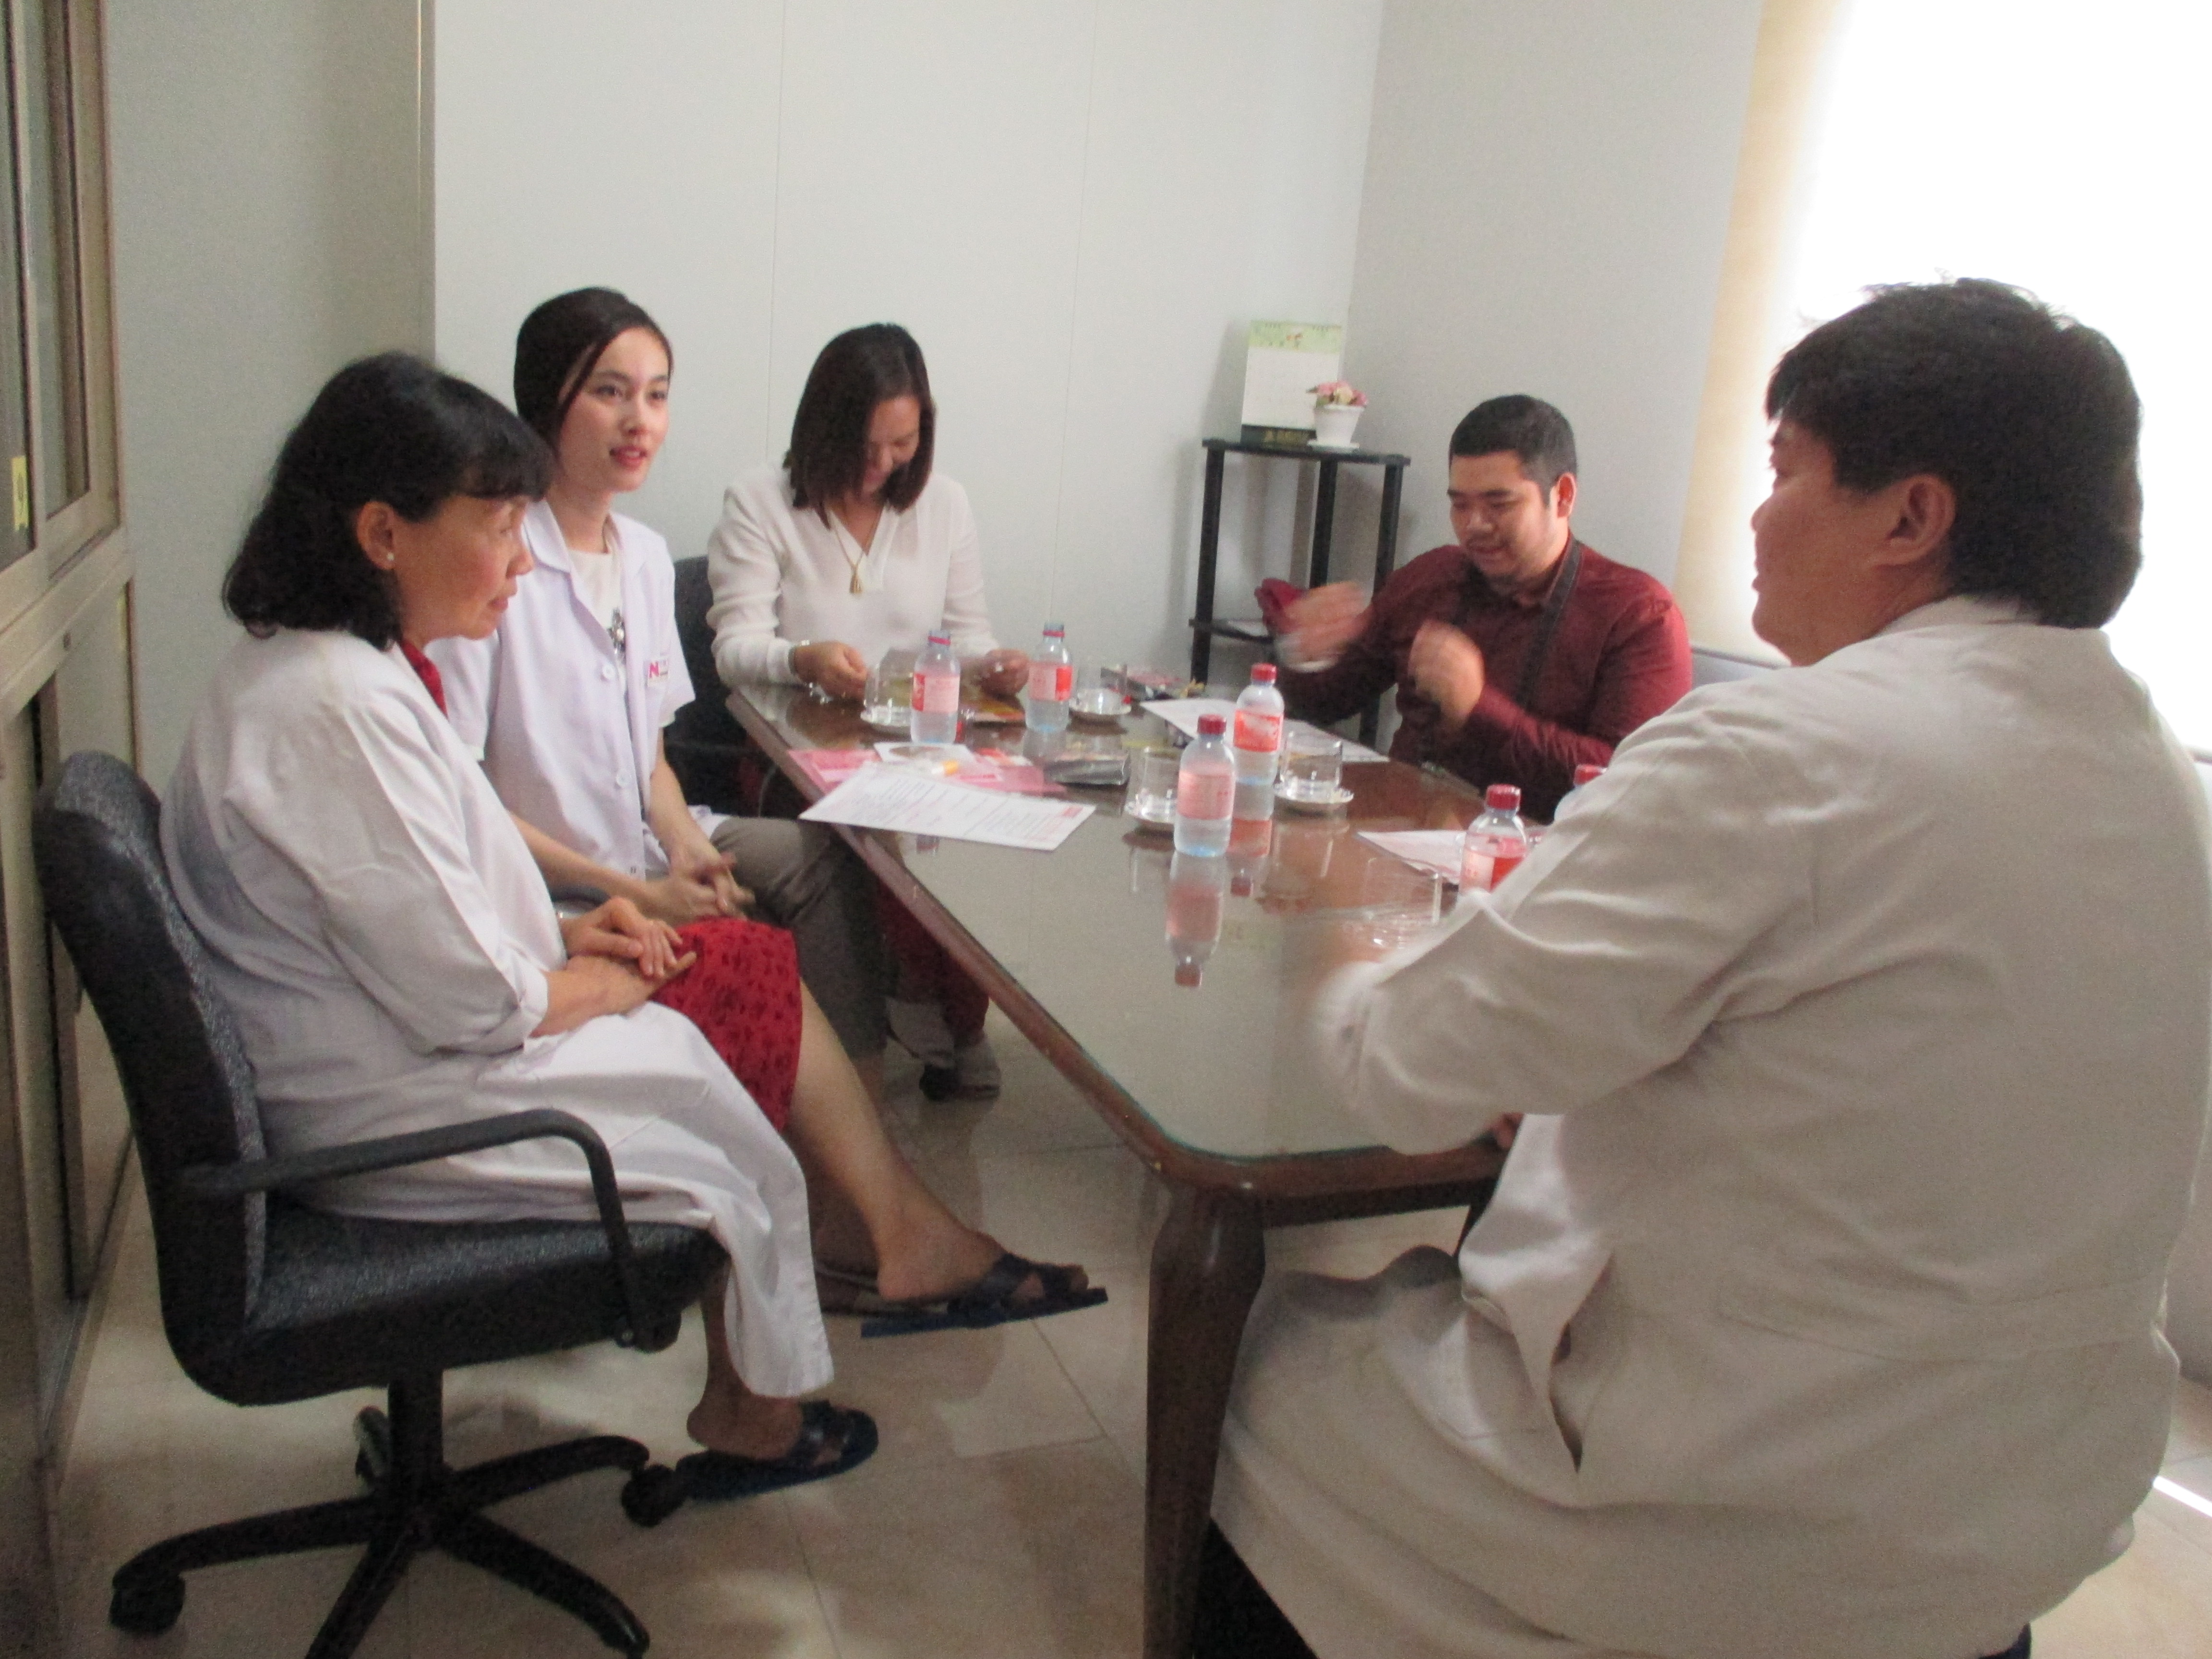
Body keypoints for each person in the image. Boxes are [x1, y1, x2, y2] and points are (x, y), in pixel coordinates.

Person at [1205, 281, 2210, 1659]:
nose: (1756, 515)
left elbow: (1403, 1071)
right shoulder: (2166, 788)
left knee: (1272, 1357)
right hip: (2024, 1506)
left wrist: (1333, 922)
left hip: (1728, 1498)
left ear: (1911, 517)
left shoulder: (1775, 748)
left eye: (1785, 471)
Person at [165, 355, 1095, 1503]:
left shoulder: (326, 667)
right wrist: (608, 978)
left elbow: (418, 888)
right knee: (719, 1087)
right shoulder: (337, 705)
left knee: (734, 973)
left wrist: (569, 933)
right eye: (496, 528)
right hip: (394, 1101)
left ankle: (850, 1285)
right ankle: (778, 1380)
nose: (519, 559)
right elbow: (468, 990)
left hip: (384, 1034)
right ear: (382, 533)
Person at [429, 289, 888, 1073]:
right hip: (553, 878)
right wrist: (639, 892)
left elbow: (653, 761)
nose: (638, 421)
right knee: (741, 947)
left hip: (644, 838)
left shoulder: (643, 555)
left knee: (821, 856)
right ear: (545, 403)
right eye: (610, 393)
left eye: (656, 395)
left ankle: (857, 1079)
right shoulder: (494, 565)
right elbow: (467, 803)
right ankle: (801, 1087)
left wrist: (685, 847)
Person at [706, 323, 1020, 1099]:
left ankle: (941, 1009)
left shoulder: (944, 504)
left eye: (902, 445)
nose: (883, 465)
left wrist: (993, 665)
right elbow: (733, 648)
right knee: (885, 843)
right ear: (824, 429)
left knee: (980, 835)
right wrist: (800, 658)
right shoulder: (759, 500)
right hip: (795, 753)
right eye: (865, 446)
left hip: (915, 746)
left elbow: (967, 636)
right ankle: (931, 1011)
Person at [1277, 397, 1691, 819]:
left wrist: (1479, 709)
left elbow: (1627, 784)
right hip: (1396, 825)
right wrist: (1308, 652)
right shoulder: (1431, 578)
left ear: (1563, 497)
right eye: (1460, 504)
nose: (1474, 525)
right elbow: (1327, 703)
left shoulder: (1638, 615)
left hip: (1533, 848)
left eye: (1499, 504)